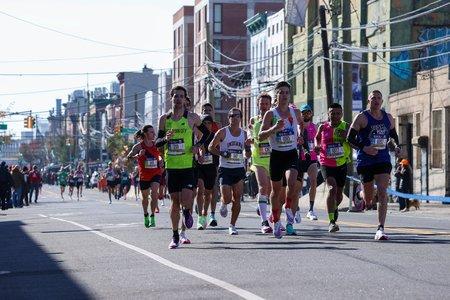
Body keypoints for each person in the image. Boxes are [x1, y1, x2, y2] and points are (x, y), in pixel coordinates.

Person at [155, 85, 211, 249]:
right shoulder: (164, 119)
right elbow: (157, 143)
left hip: (188, 165)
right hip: (172, 166)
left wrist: (198, 145)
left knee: (187, 198)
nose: (178, 99)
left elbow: (207, 133)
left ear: (186, 100)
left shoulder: (192, 117)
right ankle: (174, 236)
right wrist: (165, 138)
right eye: (175, 96)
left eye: (181, 96)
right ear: (171, 98)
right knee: (174, 202)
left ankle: (187, 212)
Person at [347, 90, 401, 240]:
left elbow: (394, 136)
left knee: (383, 191)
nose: (376, 100)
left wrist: (397, 146)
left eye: (379, 98)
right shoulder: (362, 117)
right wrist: (364, 148)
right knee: (369, 200)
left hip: (383, 159)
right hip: (365, 161)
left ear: (382, 101)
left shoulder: (388, 118)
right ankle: (359, 194)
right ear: (368, 101)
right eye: (373, 98)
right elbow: (350, 138)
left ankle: (380, 228)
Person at [259, 81, 303, 238]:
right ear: (276, 96)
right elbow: (260, 136)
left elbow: (301, 126)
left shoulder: (295, 112)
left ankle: (289, 207)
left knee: (293, 183)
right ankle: (276, 220)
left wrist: (301, 136)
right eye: (281, 92)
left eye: (286, 92)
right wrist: (274, 128)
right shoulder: (270, 114)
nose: (284, 95)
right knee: (276, 191)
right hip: (276, 155)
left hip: (291, 152)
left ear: (289, 95)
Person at [209, 108, 251, 235]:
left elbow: (248, 155)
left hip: (238, 169)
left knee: (237, 198)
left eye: (237, 116)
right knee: (227, 197)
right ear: (229, 118)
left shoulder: (244, 134)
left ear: (240, 118)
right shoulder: (222, 132)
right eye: (232, 116)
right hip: (225, 169)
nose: (234, 118)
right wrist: (222, 152)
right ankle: (223, 202)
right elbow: (211, 147)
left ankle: (232, 225)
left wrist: (248, 148)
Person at [314, 103, 351, 233]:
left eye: (337, 113)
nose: (334, 116)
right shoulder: (323, 127)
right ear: (328, 114)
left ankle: (333, 208)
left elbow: (353, 140)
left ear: (341, 114)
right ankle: (332, 222)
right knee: (331, 189)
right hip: (326, 163)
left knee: (339, 195)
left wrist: (346, 136)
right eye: (332, 113)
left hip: (341, 163)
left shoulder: (346, 126)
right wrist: (317, 146)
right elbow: (317, 138)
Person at [128, 125, 162, 228]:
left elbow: (159, 154)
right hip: (144, 175)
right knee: (145, 198)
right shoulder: (138, 146)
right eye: (151, 132)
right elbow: (128, 158)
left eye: (154, 132)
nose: (154, 134)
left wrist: (160, 160)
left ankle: (152, 216)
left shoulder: (156, 144)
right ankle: (146, 215)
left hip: (156, 172)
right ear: (145, 134)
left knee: (154, 193)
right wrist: (137, 156)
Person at [248, 93, 273, 233]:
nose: (263, 106)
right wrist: (250, 138)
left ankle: (263, 207)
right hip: (258, 159)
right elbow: (250, 133)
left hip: (273, 159)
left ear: (270, 105)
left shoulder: (274, 119)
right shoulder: (254, 120)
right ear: (258, 104)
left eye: (266, 104)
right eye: (261, 103)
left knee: (271, 191)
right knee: (263, 187)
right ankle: (264, 222)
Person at [195, 115, 218, 230]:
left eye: (209, 123)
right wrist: (199, 154)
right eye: (204, 123)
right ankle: (200, 218)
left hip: (211, 168)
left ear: (212, 124)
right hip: (199, 166)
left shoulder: (215, 136)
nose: (207, 125)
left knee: (208, 195)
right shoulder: (197, 136)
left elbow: (219, 150)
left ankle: (205, 214)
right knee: (200, 189)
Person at [298, 104, 319, 221]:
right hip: (299, 158)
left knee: (313, 181)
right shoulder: (297, 127)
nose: (306, 114)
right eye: (304, 112)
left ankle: (311, 209)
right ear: (300, 114)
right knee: (298, 185)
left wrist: (318, 147)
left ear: (311, 113)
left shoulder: (314, 127)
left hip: (311, 158)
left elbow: (318, 141)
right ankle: (296, 207)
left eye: (308, 112)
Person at [201, 102, 221, 227]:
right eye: (205, 110)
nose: (207, 112)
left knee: (213, 188)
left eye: (209, 109)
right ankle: (202, 210)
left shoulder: (217, 126)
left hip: (214, 161)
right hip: (201, 161)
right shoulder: (198, 125)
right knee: (201, 189)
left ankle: (212, 214)